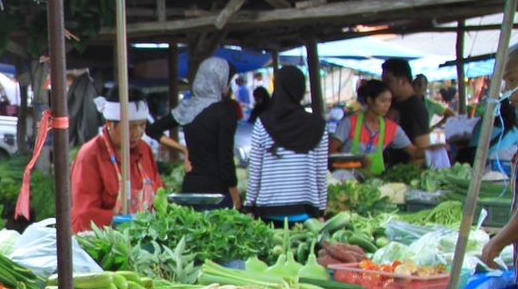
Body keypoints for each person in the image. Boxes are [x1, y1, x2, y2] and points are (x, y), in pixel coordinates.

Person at [146, 56, 239, 206]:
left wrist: (183, 149)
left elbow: (152, 129)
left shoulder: (188, 108)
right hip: (216, 192)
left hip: (190, 189)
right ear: (220, 81)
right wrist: (235, 194)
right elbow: (225, 159)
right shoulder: (225, 113)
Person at [244, 65, 328, 220]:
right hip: (306, 212)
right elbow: (320, 174)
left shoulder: (263, 123)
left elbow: (255, 171)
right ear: (301, 90)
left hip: (269, 211)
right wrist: (321, 211)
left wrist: (249, 206)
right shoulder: (318, 125)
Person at [70, 93, 161, 232]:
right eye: (131, 127)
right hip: (97, 238)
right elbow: (85, 211)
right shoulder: (90, 155)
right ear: (109, 124)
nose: (138, 133)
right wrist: (120, 222)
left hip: (140, 235)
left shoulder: (144, 149)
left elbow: (159, 193)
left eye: (142, 125)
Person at [329, 79, 411, 174]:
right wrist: (356, 163)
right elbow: (332, 152)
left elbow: (413, 151)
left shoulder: (391, 128)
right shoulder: (350, 123)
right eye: (383, 101)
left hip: (374, 182)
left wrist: (429, 150)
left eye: (389, 101)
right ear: (370, 100)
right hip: (344, 179)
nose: (387, 105)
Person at [382, 58, 442, 164]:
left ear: (403, 81)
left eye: (388, 81)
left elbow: (422, 152)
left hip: (400, 172)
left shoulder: (416, 108)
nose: (385, 86)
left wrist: (400, 176)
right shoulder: (393, 101)